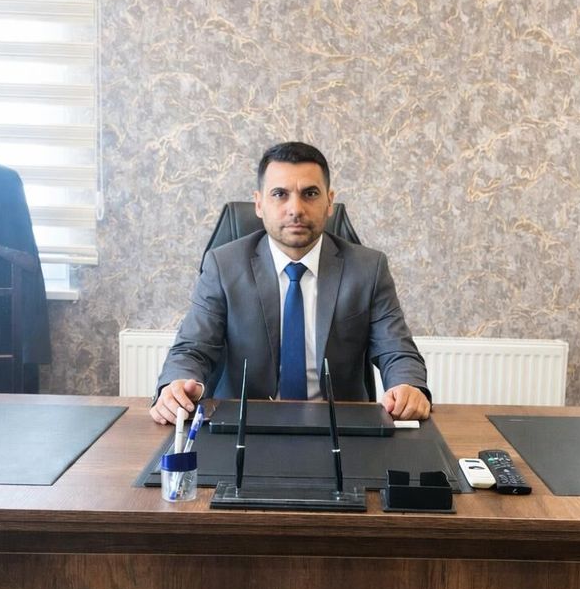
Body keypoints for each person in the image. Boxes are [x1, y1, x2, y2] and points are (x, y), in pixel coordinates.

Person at [152, 141, 430, 424]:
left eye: (310, 193)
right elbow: (193, 348)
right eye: (279, 194)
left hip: (340, 426)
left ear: (329, 202)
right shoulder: (223, 266)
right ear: (259, 203)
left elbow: (397, 350)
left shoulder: (368, 268)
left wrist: (407, 386)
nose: (295, 208)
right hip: (243, 423)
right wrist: (177, 385)